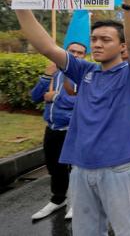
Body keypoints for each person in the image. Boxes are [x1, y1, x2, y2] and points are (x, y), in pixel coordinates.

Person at [3, 0, 130, 235]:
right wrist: (19, 4)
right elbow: (47, 47)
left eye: (106, 39)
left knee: (126, 231)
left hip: (118, 169)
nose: (98, 44)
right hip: (80, 168)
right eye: (94, 39)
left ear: (121, 46)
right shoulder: (85, 71)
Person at [29, 42, 87, 221]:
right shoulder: (54, 73)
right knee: (54, 167)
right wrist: (47, 75)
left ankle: (78, 203)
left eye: (80, 53)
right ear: (65, 52)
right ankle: (58, 199)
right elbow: (35, 97)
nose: (76, 55)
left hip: (73, 129)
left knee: (77, 169)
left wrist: (56, 97)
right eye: (72, 51)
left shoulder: (84, 75)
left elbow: (86, 102)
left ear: (84, 56)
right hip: (52, 128)